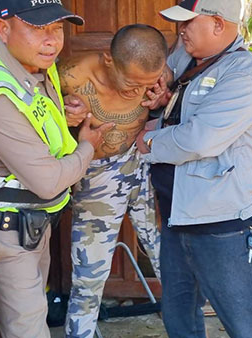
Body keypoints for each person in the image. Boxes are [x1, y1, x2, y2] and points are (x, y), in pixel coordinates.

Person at [0, 0, 112, 338]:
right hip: (6, 235)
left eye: (57, 28)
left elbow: (38, 121)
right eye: (37, 28)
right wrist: (88, 145)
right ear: (3, 28)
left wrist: (66, 116)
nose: (51, 39)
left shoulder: (35, 65)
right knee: (25, 330)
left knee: (30, 320)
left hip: (32, 227)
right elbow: (47, 180)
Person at [135, 0, 252, 338]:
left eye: (189, 22)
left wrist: (147, 141)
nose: (180, 30)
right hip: (176, 216)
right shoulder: (187, 56)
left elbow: (199, 139)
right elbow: (169, 90)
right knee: (179, 318)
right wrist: (161, 99)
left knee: (247, 325)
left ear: (217, 24)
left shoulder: (244, 76)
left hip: (220, 226)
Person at [58, 24, 168, 337]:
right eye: (133, 83)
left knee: (167, 255)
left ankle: (187, 326)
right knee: (89, 275)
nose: (140, 91)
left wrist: (163, 94)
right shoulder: (71, 75)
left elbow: (168, 83)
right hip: (97, 176)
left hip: (142, 163)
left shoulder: (155, 71)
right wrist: (61, 113)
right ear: (109, 60)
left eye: (149, 84)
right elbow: (32, 111)